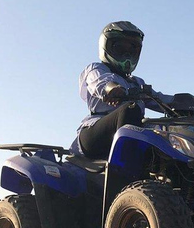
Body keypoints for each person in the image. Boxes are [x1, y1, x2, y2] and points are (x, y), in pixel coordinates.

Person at [70, 21, 175, 159]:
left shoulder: (137, 82)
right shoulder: (96, 69)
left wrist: (193, 104)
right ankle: (122, 173)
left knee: (165, 129)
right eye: (120, 49)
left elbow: (160, 100)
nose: (127, 54)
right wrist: (111, 89)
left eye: (132, 50)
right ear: (105, 47)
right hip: (94, 133)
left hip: (132, 129)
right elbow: (100, 82)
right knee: (130, 110)